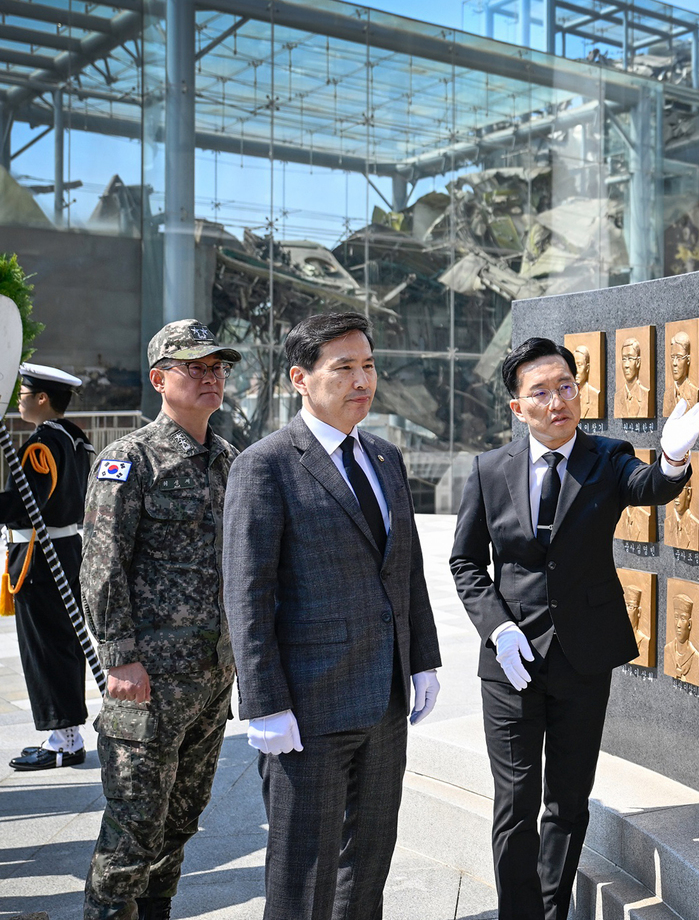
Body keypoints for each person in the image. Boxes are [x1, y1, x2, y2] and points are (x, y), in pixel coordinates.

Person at [450, 336, 699, 920]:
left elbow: (651, 489)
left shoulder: (607, 457)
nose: (558, 400)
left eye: (566, 386)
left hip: (583, 658)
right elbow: (466, 562)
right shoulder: (490, 470)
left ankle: (552, 912)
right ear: (518, 408)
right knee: (515, 803)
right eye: (541, 391)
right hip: (510, 662)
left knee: (567, 801)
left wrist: (671, 461)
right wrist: (497, 628)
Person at [222, 312, 443, 920]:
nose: (361, 380)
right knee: (303, 874)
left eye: (368, 366)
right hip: (308, 708)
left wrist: (421, 661)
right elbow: (247, 593)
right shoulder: (265, 465)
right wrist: (264, 701)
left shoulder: (385, 457)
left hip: (383, 704)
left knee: (367, 865)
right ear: (300, 377)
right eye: (343, 367)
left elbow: (406, 571)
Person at [81, 320, 242, 920]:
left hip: (209, 679)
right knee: (133, 828)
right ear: (159, 380)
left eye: (218, 368)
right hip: (148, 681)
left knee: (181, 819)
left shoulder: (228, 460)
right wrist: (119, 655)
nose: (210, 377)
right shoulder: (129, 461)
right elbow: (100, 563)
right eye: (195, 368)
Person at [3, 363, 94, 771]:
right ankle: (63, 735)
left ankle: (64, 740)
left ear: (42, 399)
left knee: (47, 650)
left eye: (24, 393)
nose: (19, 400)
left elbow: (28, 505)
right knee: (62, 645)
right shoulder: (75, 439)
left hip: (42, 556)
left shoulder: (42, 444)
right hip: (65, 547)